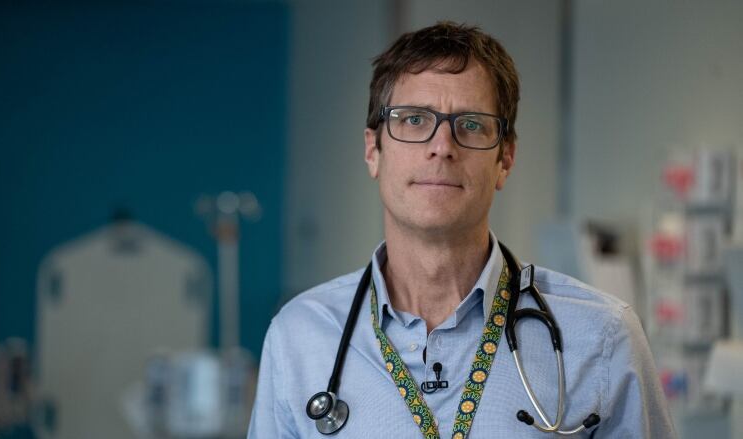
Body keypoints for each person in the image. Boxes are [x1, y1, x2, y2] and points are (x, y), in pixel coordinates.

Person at [248, 22, 675, 438]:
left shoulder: (602, 338)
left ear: (505, 159)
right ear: (372, 150)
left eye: (470, 124)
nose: (442, 146)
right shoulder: (300, 337)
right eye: (413, 120)